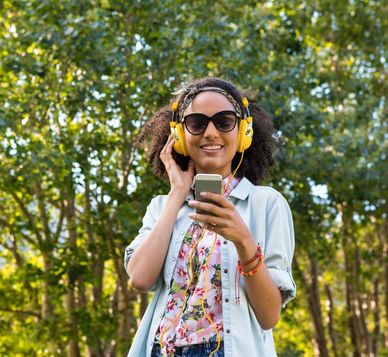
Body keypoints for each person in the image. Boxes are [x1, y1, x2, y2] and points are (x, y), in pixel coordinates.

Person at [124, 77, 296, 357]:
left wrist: (243, 241)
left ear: (243, 133)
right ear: (180, 136)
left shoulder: (268, 205)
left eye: (224, 121)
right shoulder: (161, 206)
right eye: (197, 123)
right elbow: (141, 279)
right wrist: (177, 193)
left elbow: (269, 317)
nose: (211, 132)